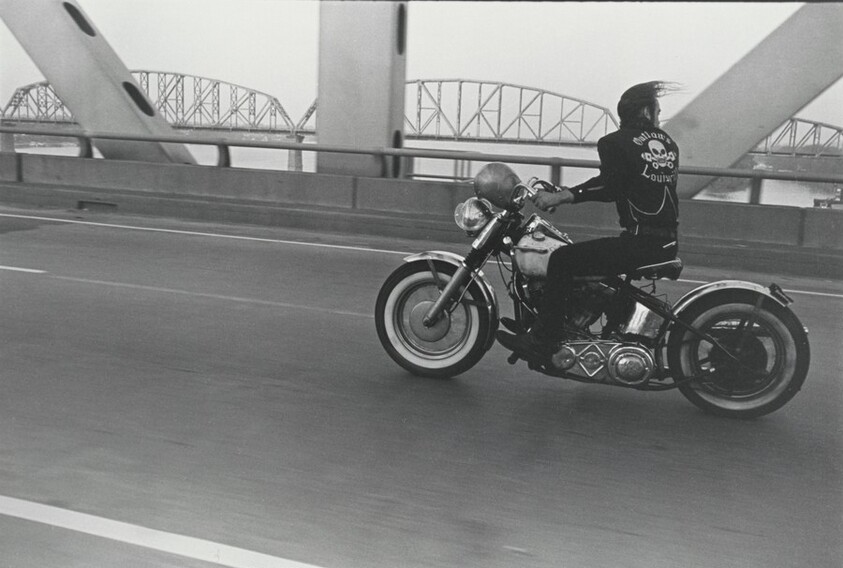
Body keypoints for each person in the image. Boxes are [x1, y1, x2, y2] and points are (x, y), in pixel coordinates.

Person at [497, 81, 680, 361]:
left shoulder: (616, 142)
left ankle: (543, 340)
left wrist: (561, 197)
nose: (659, 115)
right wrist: (564, 194)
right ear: (646, 111)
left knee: (562, 259)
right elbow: (633, 184)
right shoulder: (668, 144)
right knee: (588, 263)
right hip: (664, 240)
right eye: (657, 109)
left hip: (640, 242)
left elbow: (610, 186)